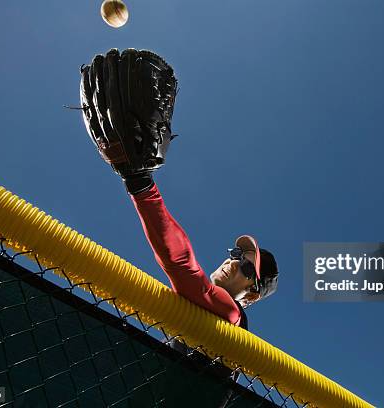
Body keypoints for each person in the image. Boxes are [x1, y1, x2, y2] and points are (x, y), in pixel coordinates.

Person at [78, 48, 279, 407]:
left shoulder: (233, 317)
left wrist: (140, 183)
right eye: (236, 254)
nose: (233, 261)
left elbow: (183, 268)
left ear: (250, 293)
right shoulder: (193, 313)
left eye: (246, 265)